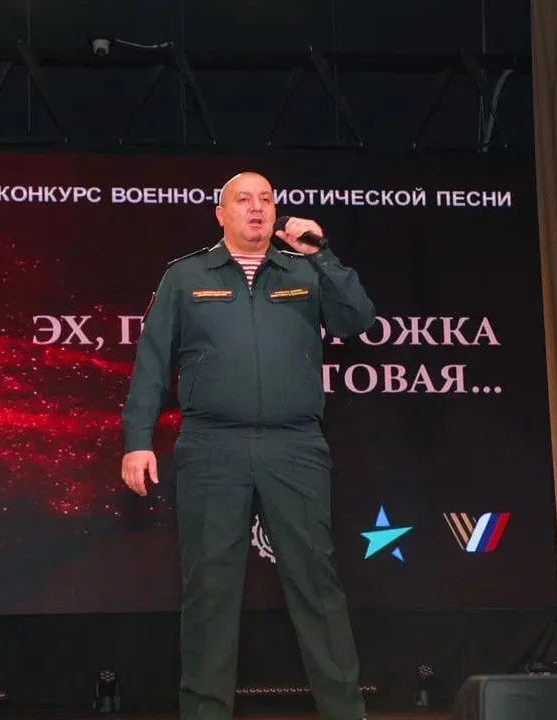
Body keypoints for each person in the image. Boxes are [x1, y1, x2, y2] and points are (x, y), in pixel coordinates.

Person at [121, 172, 376, 720]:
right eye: (243, 200)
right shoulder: (186, 276)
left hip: (295, 445)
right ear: (221, 213)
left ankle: (345, 712)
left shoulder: (304, 270)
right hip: (212, 447)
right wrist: (137, 441)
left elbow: (358, 319)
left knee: (316, 585)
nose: (256, 208)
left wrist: (322, 253)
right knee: (210, 592)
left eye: (266, 200)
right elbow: (152, 363)